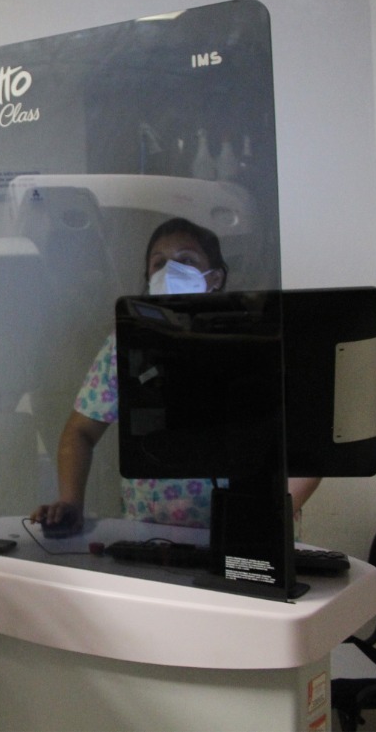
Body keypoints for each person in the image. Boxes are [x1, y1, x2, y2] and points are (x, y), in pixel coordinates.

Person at [31, 216, 320, 536]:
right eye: (159, 263)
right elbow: (79, 431)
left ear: (215, 277)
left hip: (242, 537)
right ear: (148, 278)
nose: (171, 271)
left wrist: (269, 518)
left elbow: (312, 442)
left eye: (187, 260)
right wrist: (70, 503)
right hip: (148, 535)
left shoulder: (257, 341)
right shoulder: (127, 347)